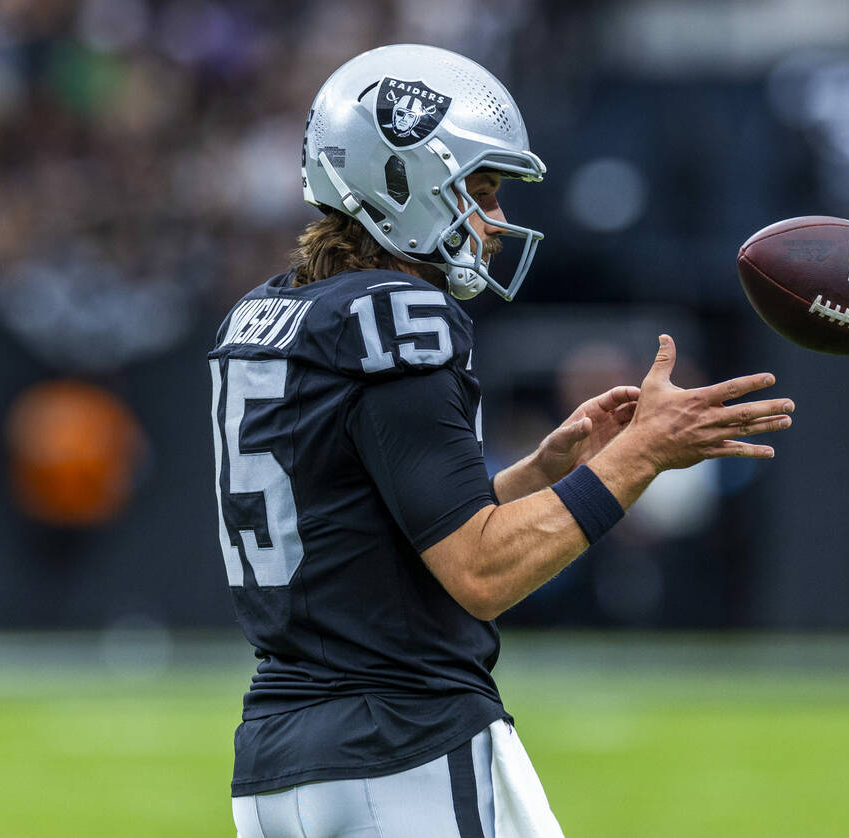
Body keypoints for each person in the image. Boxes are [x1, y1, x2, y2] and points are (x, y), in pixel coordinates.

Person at [209, 44, 793, 838]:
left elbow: (384, 546)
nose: (497, 221)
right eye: (478, 191)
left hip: (282, 760)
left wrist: (543, 476)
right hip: (403, 749)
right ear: (399, 182)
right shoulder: (399, 319)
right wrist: (640, 454)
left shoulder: (273, 316)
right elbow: (479, 572)